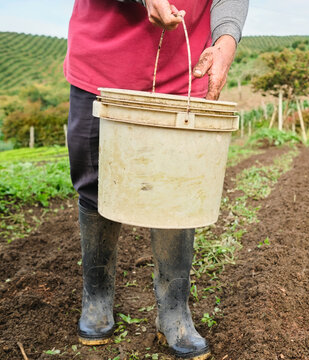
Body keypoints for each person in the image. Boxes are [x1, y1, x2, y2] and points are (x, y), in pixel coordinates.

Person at [64, 0, 248, 359]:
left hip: (182, 71)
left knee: (177, 188)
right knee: (94, 181)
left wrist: (226, 39)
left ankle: (174, 311)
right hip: (102, 65)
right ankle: (97, 296)